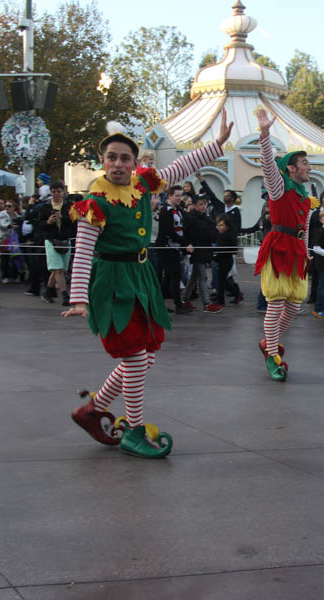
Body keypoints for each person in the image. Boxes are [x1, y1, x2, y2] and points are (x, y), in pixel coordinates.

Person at [64, 113, 232, 458]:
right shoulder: (95, 203)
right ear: (102, 161)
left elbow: (181, 167)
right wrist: (79, 298)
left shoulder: (143, 184)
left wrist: (216, 144)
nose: (118, 163)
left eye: (125, 158)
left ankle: (93, 408)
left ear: (135, 162)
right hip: (112, 282)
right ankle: (134, 430)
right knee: (136, 359)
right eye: (111, 157)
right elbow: (82, 253)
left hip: (141, 277)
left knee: (146, 357)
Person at [253, 107, 317, 382]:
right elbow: (268, 164)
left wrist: (306, 251)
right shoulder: (280, 188)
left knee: (293, 305)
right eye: (303, 163)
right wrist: (265, 135)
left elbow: (305, 227)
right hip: (279, 244)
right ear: (291, 168)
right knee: (276, 302)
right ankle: (271, 355)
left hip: (296, 250)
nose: (308, 167)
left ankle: (269, 341)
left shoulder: (306, 195)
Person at [155, 185, 192, 314]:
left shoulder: (178, 209)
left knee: (169, 276)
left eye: (180, 195)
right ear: (169, 196)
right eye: (176, 196)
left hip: (175, 247)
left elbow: (184, 226)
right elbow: (168, 231)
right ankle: (178, 304)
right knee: (176, 274)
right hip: (166, 248)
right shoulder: (165, 210)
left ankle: (162, 304)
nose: (179, 198)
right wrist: (185, 244)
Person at [181, 196, 221, 313]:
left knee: (194, 277)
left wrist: (211, 233)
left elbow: (213, 233)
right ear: (194, 205)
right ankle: (207, 304)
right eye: (200, 204)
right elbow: (202, 232)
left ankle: (185, 300)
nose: (203, 206)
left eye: (205, 204)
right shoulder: (190, 217)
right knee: (202, 276)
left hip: (204, 250)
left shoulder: (206, 217)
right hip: (197, 251)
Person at [38, 181, 74, 306]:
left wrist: (63, 217)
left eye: (59, 191)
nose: (56, 194)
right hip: (51, 240)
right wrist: (48, 222)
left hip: (65, 239)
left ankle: (48, 292)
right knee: (58, 268)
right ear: (50, 192)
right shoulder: (44, 207)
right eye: (53, 192)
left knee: (59, 269)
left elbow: (74, 220)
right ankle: (65, 295)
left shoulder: (69, 206)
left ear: (63, 191)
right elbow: (39, 224)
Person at [214, 213, 242, 312]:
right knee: (223, 281)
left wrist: (215, 255)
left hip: (225, 261)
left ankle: (221, 301)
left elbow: (222, 249)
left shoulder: (226, 235)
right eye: (218, 225)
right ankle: (237, 294)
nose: (219, 227)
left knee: (221, 281)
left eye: (221, 225)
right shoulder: (222, 234)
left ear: (227, 226)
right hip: (223, 260)